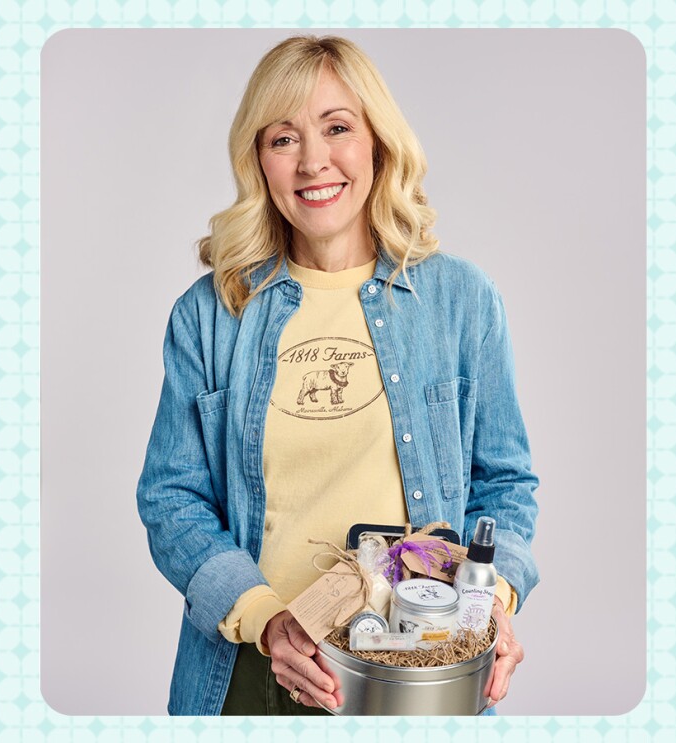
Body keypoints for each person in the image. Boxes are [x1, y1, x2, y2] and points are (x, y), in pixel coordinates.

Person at [136, 34, 540, 716]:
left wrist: (491, 600)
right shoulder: (210, 315)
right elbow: (172, 498)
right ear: (257, 159)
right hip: (252, 675)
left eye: (336, 128)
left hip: (422, 668)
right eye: (283, 138)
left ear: (378, 141)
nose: (313, 160)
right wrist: (267, 617)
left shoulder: (462, 302)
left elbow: (505, 485)